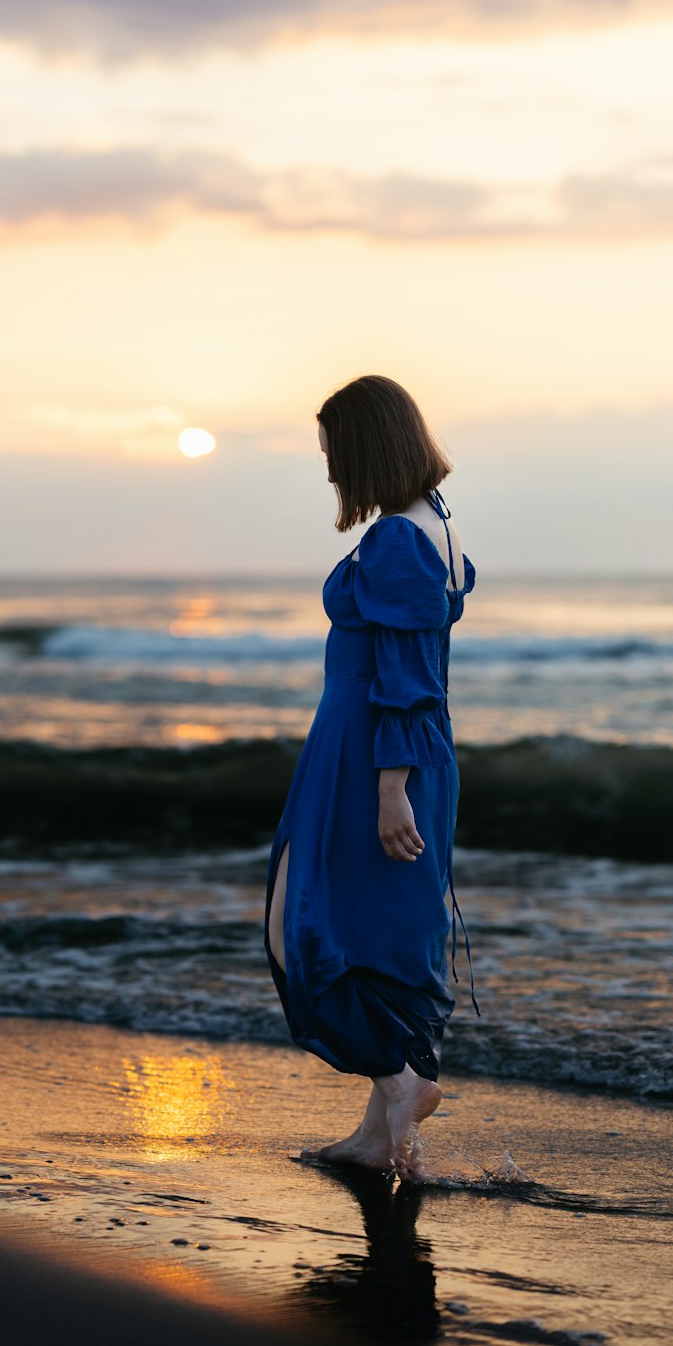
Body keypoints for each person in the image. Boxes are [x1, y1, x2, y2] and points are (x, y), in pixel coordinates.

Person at [263, 374, 478, 1182]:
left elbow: (405, 673)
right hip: (393, 750)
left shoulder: (395, 540)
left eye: (333, 456)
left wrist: (391, 789)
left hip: (373, 756)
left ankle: (402, 1079)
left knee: (303, 929)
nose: (329, 473)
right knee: (378, 930)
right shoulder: (436, 524)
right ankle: (379, 1131)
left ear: (365, 449)